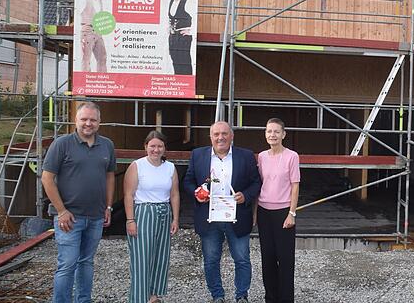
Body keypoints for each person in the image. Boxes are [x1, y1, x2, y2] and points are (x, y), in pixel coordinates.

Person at [41, 101, 116, 303]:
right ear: (76, 120)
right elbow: (47, 178)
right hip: (69, 218)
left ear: (100, 122)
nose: (88, 123)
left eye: (92, 119)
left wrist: (108, 206)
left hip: (96, 217)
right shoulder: (62, 144)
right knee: (67, 264)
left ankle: (84, 300)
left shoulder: (107, 145)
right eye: (84, 119)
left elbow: (110, 176)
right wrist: (61, 211)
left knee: (86, 263)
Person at [183, 121, 260, 303]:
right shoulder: (198, 155)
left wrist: (246, 195)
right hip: (209, 218)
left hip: (237, 216)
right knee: (211, 260)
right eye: (216, 134)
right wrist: (196, 193)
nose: (220, 138)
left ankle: (241, 295)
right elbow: (187, 180)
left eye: (225, 134)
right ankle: (217, 295)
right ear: (210, 137)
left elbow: (256, 182)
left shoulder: (246, 156)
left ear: (232, 136)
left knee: (242, 260)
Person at [123, 131, 180, 303]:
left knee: (161, 256)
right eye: (152, 146)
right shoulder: (137, 166)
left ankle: (153, 295)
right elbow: (128, 194)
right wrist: (130, 220)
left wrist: (175, 218)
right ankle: (139, 297)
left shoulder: (170, 167)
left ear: (164, 148)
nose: (156, 149)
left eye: (159, 146)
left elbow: (174, 194)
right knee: (142, 257)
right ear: (146, 146)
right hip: (143, 212)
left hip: (164, 212)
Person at [255, 118, 300, 303]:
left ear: (283, 134)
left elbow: (295, 186)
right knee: (268, 258)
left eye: (276, 131)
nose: (272, 135)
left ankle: (286, 299)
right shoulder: (262, 157)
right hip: (264, 211)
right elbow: (259, 184)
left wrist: (292, 213)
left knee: (285, 258)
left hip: (283, 213)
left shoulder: (292, 156)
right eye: (269, 131)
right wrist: (255, 214)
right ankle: (271, 298)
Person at [79, 0, 108, 72]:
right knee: (86, 58)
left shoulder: (99, 0)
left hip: (98, 31)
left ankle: (102, 81)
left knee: (102, 57)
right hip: (88, 31)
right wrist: (81, 25)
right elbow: (76, 12)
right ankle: (85, 81)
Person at [165, 0, 193, 75]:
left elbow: (195, 16)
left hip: (183, 37)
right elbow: (170, 18)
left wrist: (190, 30)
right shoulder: (171, 1)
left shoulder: (188, 1)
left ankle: (186, 83)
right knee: (175, 60)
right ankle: (178, 83)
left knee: (184, 61)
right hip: (173, 37)